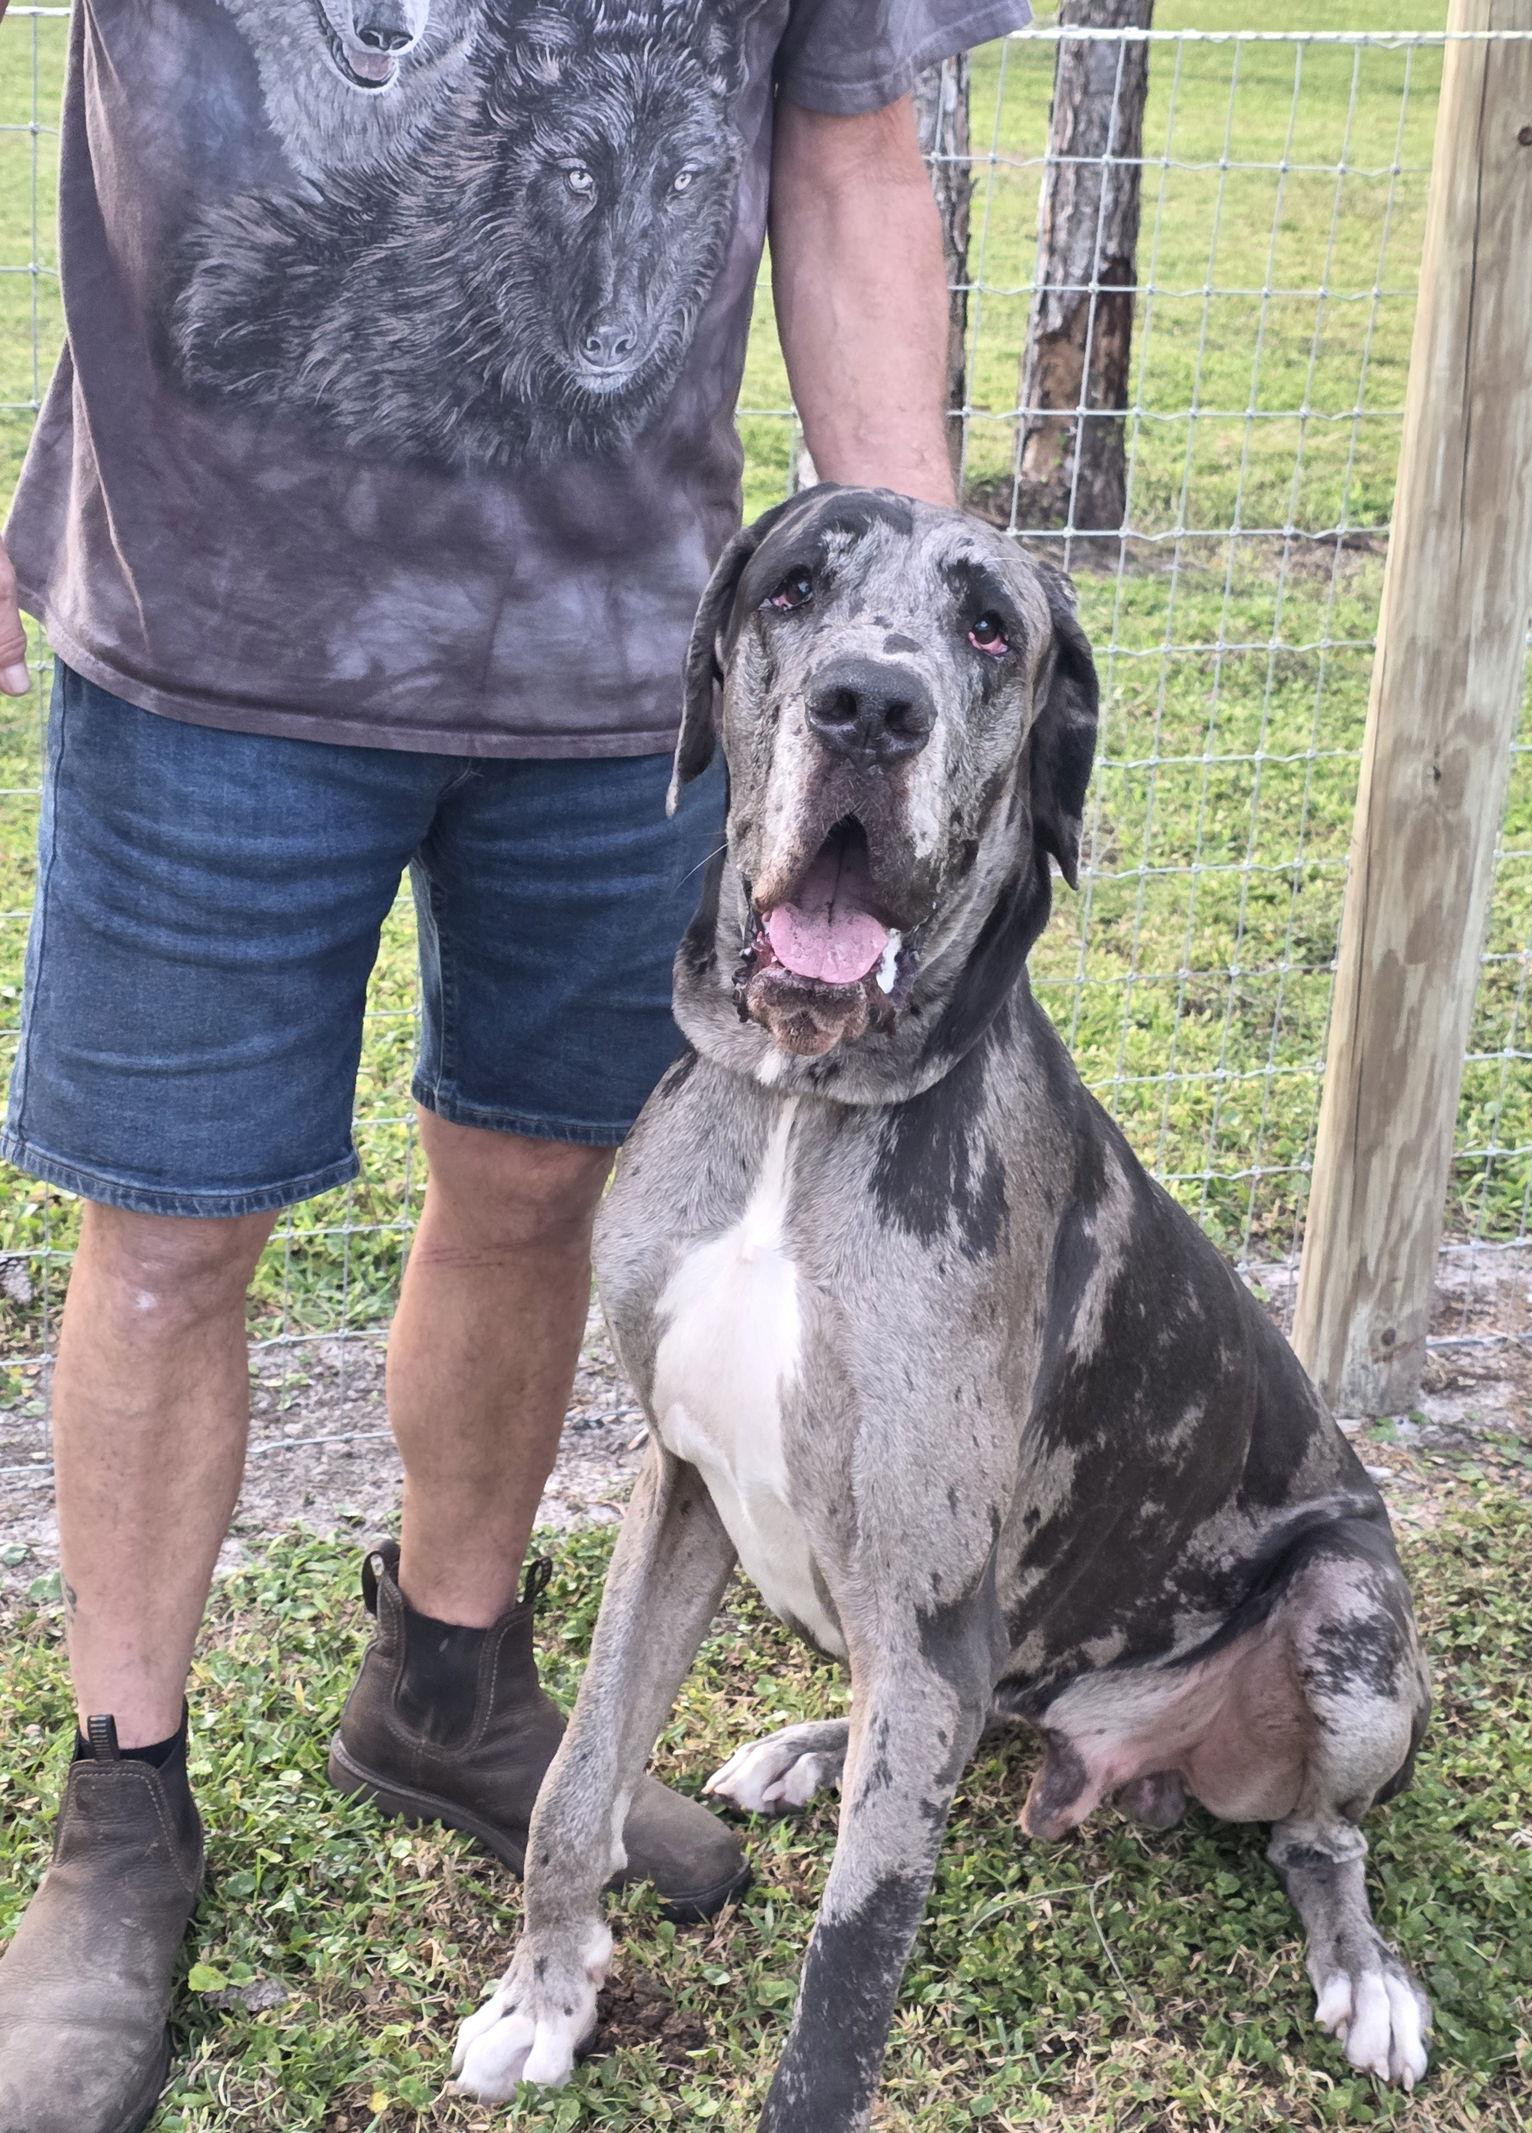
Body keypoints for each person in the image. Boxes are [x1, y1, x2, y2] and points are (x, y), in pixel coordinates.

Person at [0, 0, 1030, 2127]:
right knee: (173, 1239)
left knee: (541, 1182)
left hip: (626, 666)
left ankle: (448, 1673)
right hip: (204, 633)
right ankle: (123, 1795)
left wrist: (917, 629)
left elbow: (840, 155)